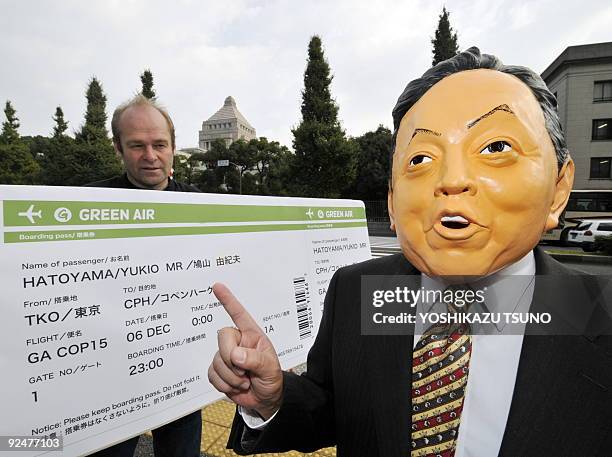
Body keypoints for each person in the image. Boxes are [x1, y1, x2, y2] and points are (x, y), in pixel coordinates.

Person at [208, 48, 612, 456]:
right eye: (420, 158)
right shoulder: (358, 292)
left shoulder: (596, 313)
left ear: (559, 188)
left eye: (495, 148)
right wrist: (272, 399)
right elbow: (330, 409)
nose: (452, 179)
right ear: (391, 203)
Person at [87, 95, 202, 456]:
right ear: (118, 147)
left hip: (182, 366)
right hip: (112, 374)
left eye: (159, 145)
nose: (150, 155)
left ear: (172, 146)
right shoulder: (87, 205)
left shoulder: (204, 205)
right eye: (137, 145)